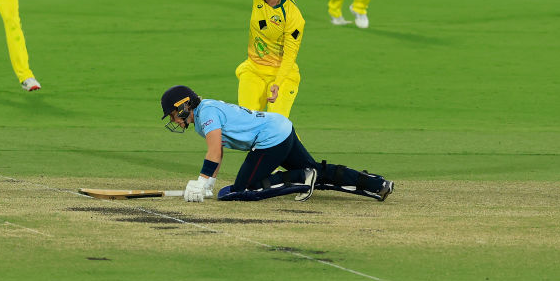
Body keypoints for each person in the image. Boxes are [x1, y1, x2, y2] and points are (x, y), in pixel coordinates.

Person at [159, 85, 394, 203]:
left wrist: (200, 183)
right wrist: (209, 183)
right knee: (318, 172)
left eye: (172, 114)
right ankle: (377, 184)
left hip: (270, 139)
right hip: (281, 128)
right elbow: (218, 150)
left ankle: (301, 176)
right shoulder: (203, 116)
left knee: (240, 191)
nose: (173, 120)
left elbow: (213, 151)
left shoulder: (206, 113)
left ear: (183, 106)